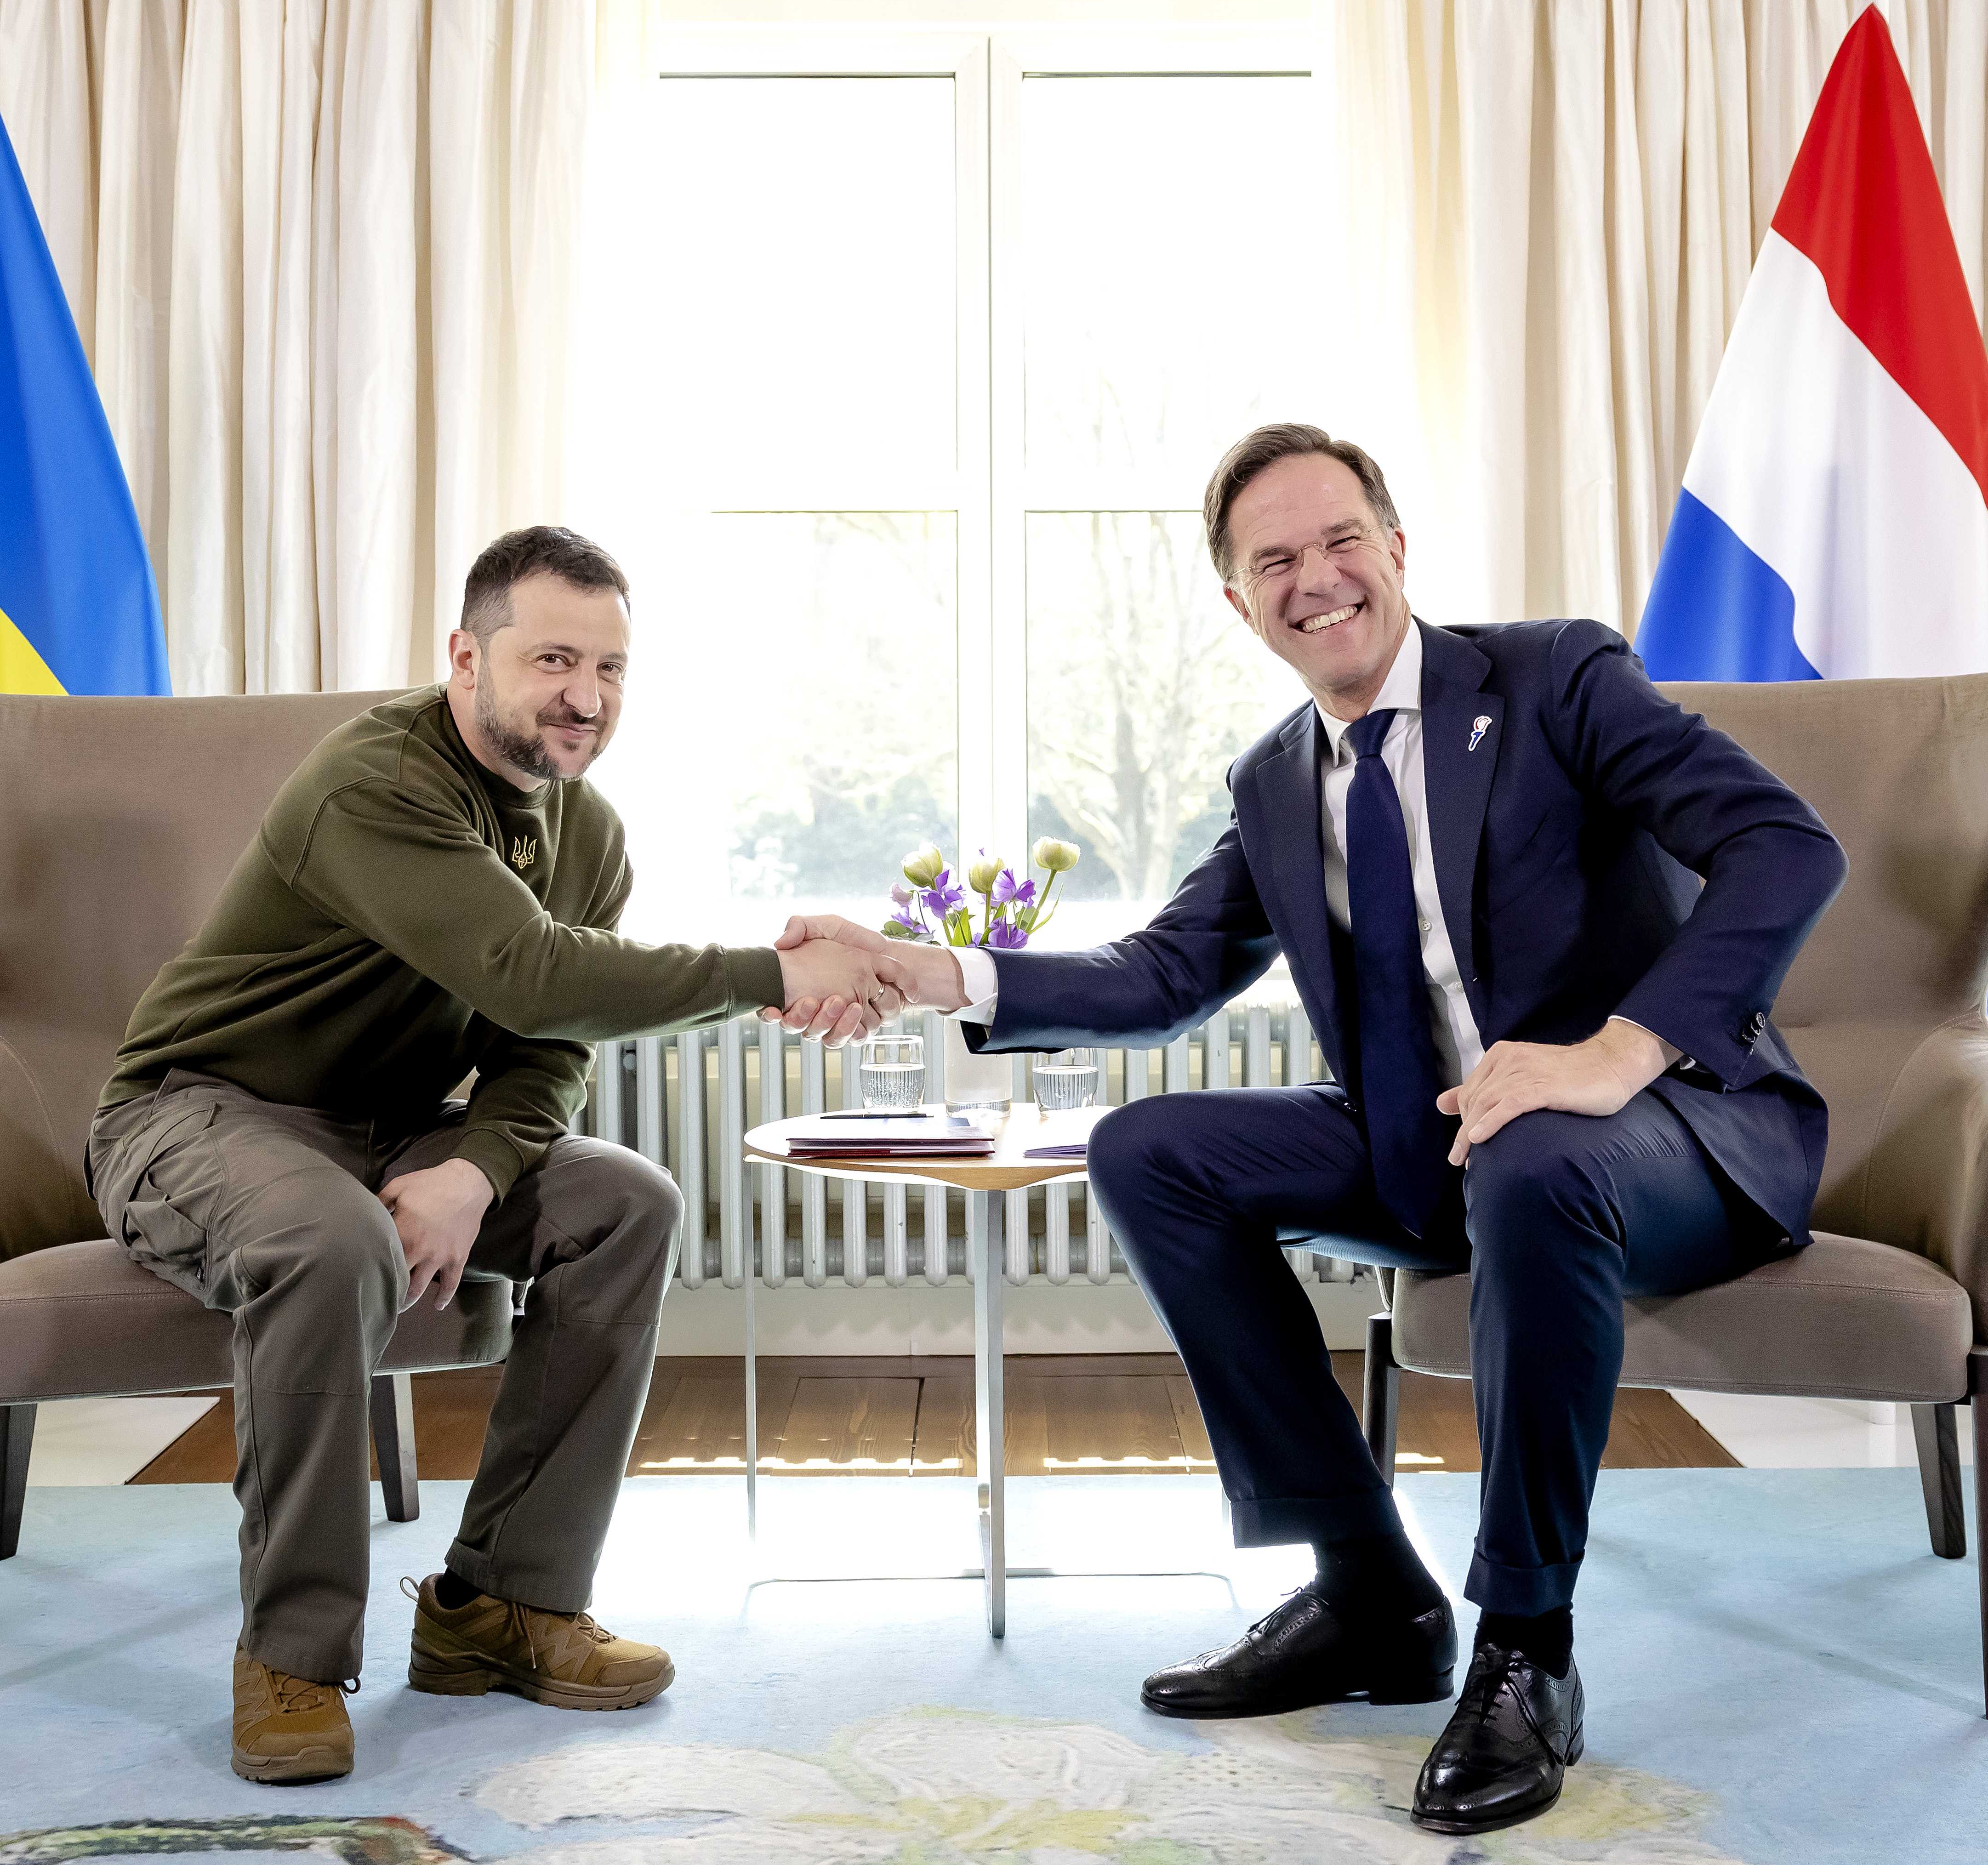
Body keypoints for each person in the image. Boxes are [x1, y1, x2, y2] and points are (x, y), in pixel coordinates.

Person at [781, 425, 1846, 1836]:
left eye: (1340, 539)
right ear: (1239, 604)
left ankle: (1528, 1645)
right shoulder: (1278, 781)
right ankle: (1368, 1593)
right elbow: (1158, 977)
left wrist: (1613, 1053)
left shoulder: (1553, 679)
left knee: (1536, 1146)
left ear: (1397, 551)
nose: (1316, 577)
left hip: (1669, 1140)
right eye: (1272, 560)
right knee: (1149, 1151)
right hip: (1450, 1148)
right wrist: (930, 972)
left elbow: (1787, 846)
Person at [90, 525, 909, 1784]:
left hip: (395, 1129)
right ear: (466, 657)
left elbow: (546, 1042)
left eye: (615, 669)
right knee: (327, 1235)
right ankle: (293, 1659)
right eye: (555, 661)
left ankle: (502, 1607)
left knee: (624, 1204)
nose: (588, 698)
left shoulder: (591, 837)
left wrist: (474, 1168)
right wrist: (775, 974)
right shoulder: (375, 783)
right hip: (205, 1115)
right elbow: (527, 970)